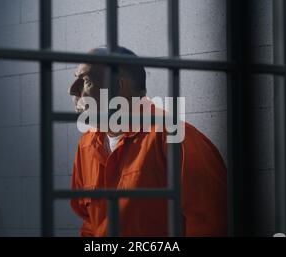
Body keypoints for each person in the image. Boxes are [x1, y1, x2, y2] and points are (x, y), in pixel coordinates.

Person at [67, 46, 227, 236]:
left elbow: (210, 223)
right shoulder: (86, 145)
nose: (73, 91)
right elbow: (90, 223)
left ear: (117, 86)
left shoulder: (173, 136)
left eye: (85, 81)